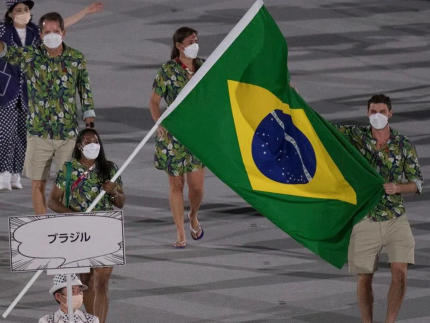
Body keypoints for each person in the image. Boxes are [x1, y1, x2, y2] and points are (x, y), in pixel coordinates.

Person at [334, 94, 423, 323]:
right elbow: (323, 129)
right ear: (367, 114)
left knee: (400, 275)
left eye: (382, 112)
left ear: (390, 114)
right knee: (364, 279)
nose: (377, 116)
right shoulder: (356, 136)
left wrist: (398, 187)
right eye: (373, 112)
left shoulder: (403, 144)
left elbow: (417, 183)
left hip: (395, 218)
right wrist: (294, 97)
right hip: (366, 218)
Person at [0, 0, 103, 191]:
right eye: (19, 10)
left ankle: (16, 174)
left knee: (65, 181)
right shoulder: (15, 42)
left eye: (26, 10)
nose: (23, 13)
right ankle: (5, 173)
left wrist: (89, 116)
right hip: (22, 108)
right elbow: (6, 52)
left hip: (50, 114)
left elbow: (84, 87)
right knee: (8, 137)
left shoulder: (69, 53)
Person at [48, 128, 125, 323]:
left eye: (96, 141)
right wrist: (76, 216)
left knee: (102, 282)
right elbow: (53, 201)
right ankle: (92, 319)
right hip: (79, 231)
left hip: (105, 229)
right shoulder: (68, 170)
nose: (93, 145)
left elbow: (121, 202)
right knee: (86, 281)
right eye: (88, 141)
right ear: (79, 146)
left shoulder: (110, 168)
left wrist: (114, 191)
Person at [149, 26, 205, 249]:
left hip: (197, 135)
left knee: (197, 188)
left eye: (196, 40)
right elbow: (154, 102)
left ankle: (193, 215)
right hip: (172, 136)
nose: (194, 44)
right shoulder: (167, 70)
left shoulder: (204, 66)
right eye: (190, 41)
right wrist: (159, 122)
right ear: (179, 46)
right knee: (176, 184)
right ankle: (180, 231)